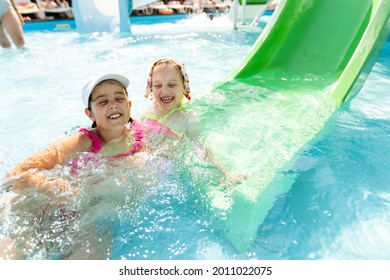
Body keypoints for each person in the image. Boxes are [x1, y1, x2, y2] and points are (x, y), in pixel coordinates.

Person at [4, 73, 145, 192]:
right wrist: (61, 188)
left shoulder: (139, 134)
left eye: (119, 98)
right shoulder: (83, 142)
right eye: (103, 102)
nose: (113, 104)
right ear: (90, 114)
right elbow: (17, 173)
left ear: (129, 105)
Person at [141, 57, 245, 183]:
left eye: (172, 85)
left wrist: (225, 173)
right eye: (158, 85)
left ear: (184, 87)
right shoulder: (148, 113)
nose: (164, 91)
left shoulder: (188, 118)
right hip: (142, 162)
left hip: (167, 172)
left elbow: (201, 147)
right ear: (151, 88)